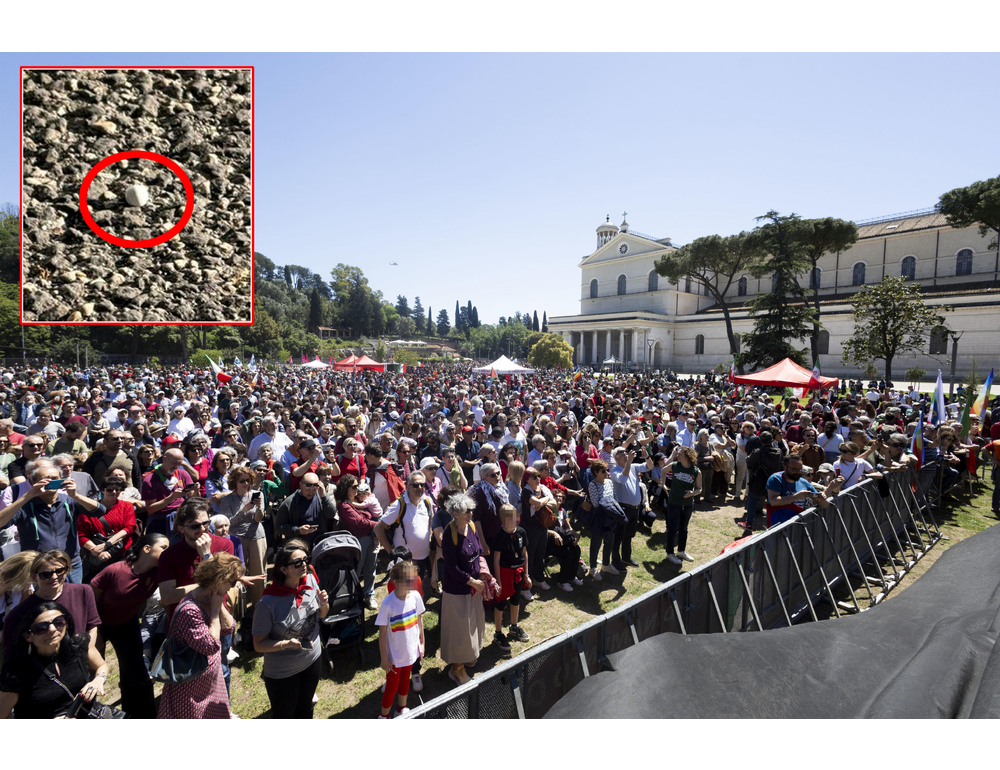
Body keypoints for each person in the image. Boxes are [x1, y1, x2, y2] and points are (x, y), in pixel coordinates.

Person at [90, 531, 169, 718]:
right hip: (96, 625)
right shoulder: (115, 570)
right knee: (90, 671)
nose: (168, 551)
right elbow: (88, 600)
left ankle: (140, 716)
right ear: (147, 549)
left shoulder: (157, 574)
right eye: (164, 548)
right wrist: (97, 634)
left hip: (126, 624)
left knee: (136, 672)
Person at [157, 552, 245, 719]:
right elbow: (210, 646)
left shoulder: (211, 598)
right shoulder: (190, 610)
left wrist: (218, 604)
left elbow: (229, 627)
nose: (233, 587)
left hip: (212, 684)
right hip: (190, 689)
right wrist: (213, 613)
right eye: (232, 582)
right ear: (219, 580)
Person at [253, 540, 329, 719]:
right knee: (285, 715)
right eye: (297, 562)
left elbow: (322, 615)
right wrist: (285, 644)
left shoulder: (310, 580)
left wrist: (324, 603)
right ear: (283, 569)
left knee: (306, 708)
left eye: (305, 560)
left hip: (312, 659)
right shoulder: (267, 603)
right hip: (283, 672)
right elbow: (259, 645)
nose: (304, 565)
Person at [0, 601, 110, 719]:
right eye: (41, 628)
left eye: (58, 622)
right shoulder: (16, 672)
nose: (52, 629)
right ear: (28, 636)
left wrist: (98, 679)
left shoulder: (78, 645)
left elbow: (101, 665)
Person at [0, 465, 102, 584]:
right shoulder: (26, 505)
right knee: (42, 602)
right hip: (39, 568)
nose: (51, 482)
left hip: (71, 565)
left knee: (71, 599)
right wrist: (27, 496)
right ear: (34, 482)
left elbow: (99, 511)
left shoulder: (68, 500)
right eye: (45, 479)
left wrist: (75, 495)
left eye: (55, 479)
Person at [1, 550, 100, 664]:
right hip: (45, 672)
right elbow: (12, 653)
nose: (54, 577)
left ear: (67, 570)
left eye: (60, 571)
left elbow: (92, 626)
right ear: (34, 577)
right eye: (46, 574)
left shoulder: (83, 591)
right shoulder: (20, 612)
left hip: (80, 662)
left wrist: (86, 651)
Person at [439, 493, 485, 686]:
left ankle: (469, 655)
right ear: (456, 513)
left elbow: (479, 551)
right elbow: (451, 568)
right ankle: (456, 669)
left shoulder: (472, 526)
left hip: (473, 588)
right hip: (457, 590)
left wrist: (483, 573)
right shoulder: (449, 534)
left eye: (471, 510)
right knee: (459, 631)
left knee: (473, 625)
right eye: (467, 511)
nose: (471, 514)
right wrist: (472, 581)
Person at [376, 555, 425, 718]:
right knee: (391, 685)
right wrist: (384, 658)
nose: (411, 583)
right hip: (394, 656)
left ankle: (401, 709)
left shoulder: (416, 597)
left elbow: (419, 619)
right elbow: (382, 634)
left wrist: (421, 643)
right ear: (395, 581)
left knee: (405, 680)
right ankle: (384, 716)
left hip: (411, 651)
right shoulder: (388, 605)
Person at [218, 465, 267, 607]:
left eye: (248, 480)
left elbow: (258, 519)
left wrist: (258, 508)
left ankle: (259, 605)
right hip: (236, 538)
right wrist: (244, 511)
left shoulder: (258, 494)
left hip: (256, 536)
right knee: (238, 573)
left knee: (259, 572)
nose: (246, 483)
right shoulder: (227, 500)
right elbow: (228, 523)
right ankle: (240, 607)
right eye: (242, 481)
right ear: (235, 482)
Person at [374, 471, 434, 586]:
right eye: (416, 485)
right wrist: (390, 552)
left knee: (418, 590)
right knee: (404, 593)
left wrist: (430, 534)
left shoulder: (427, 501)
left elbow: (431, 516)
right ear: (408, 486)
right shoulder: (399, 505)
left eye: (422, 485)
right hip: (404, 562)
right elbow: (378, 528)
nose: (420, 488)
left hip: (423, 557)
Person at [335, 474, 382, 611]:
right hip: (358, 541)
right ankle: (352, 597)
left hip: (370, 537)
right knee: (356, 570)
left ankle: (369, 595)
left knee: (370, 568)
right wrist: (379, 524)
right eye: (354, 487)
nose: (357, 489)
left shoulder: (359, 499)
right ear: (346, 488)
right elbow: (359, 522)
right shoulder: (344, 505)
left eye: (357, 486)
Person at [491, 504, 530, 652]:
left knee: (516, 600)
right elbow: (496, 560)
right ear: (503, 519)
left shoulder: (521, 532)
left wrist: (526, 574)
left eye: (515, 516)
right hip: (504, 573)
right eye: (510, 517)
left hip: (518, 573)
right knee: (501, 603)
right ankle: (498, 633)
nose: (514, 520)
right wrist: (498, 582)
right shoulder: (499, 536)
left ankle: (514, 626)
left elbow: (525, 553)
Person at [765, 454, 837, 528]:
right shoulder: (776, 479)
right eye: (794, 469)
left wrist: (822, 498)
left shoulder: (803, 482)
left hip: (798, 527)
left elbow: (824, 504)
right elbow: (773, 501)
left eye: (800, 469)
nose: (798, 472)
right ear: (784, 467)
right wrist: (796, 497)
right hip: (777, 528)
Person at [274, 471, 337, 549]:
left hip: (319, 543)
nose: (311, 492)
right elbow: (279, 526)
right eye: (308, 489)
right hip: (299, 545)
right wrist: (298, 530)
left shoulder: (321, 496)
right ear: (301, 485)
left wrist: (324, 497)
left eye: (314, 489)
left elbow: (331, 514)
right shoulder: (289, 502)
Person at [664, 446, 701, 563]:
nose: (677, 455)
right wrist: (663, 484)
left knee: (684, 528)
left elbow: (700, 489)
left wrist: (692, 493)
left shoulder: (696, 471)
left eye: (680, 454)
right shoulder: (675, 465)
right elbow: (663, 470)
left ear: (687, 456)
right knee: (672, 528)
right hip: (674, 503)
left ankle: (681, 551)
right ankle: (670, 553)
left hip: (688, 504)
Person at [585, 460, 620, 580]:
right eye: (603, 471)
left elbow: (615, 497)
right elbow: (596, 503)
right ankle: (593, 568)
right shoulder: (592, 485)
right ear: (596, 472)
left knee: (609, 541)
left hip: (610, 518)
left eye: (607, 470)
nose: (606, 473)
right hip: (599, 519)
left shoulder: (610, 482)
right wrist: (610, 504)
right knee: (596, 542)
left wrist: (612, 506)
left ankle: (606, 564)